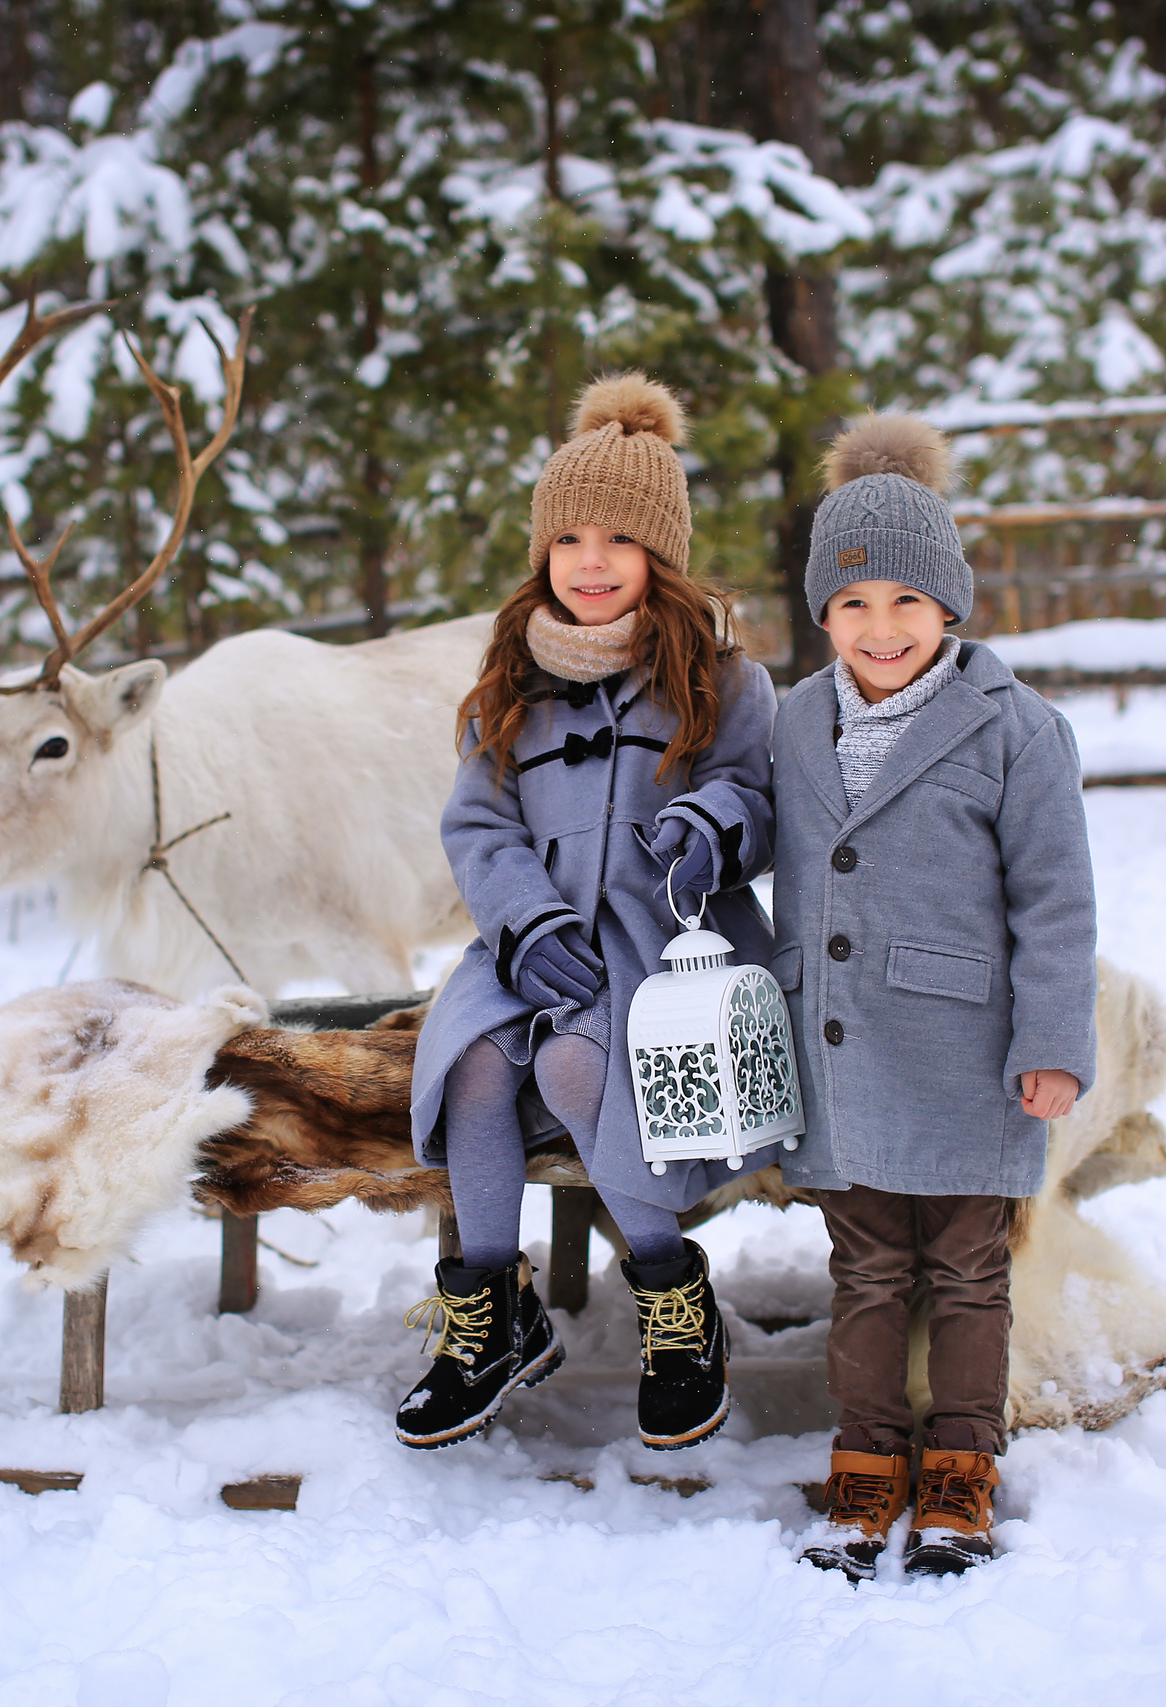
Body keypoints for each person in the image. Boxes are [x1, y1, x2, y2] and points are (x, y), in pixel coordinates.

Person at [398, 373, 781, 1452]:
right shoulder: (507, 685)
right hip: (532, 940)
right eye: (568, 538)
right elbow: (477, 826)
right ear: (543, 555)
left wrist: (712, 824)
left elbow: (764, 800)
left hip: (661, 951)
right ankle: (490, 1314)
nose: (592, 561)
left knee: (575, 1069)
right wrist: (521, 921)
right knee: (472, 1060)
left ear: (659, 552)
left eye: (618, 537)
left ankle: (673, 1299)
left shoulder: (720, 678)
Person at [771, 414, 1099, 1578]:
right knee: (863, 1270)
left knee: (965, 1271)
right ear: (824, 617)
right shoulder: (795, 720)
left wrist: (1053, 1039)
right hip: (842, 1052)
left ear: (949, 607)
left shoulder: (1013, 730)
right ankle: (865, 1463)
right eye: (854, 605)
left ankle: (960, 1465)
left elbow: (1055, 902)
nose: (881, 628)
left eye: (907, 602)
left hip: (968, 1056)